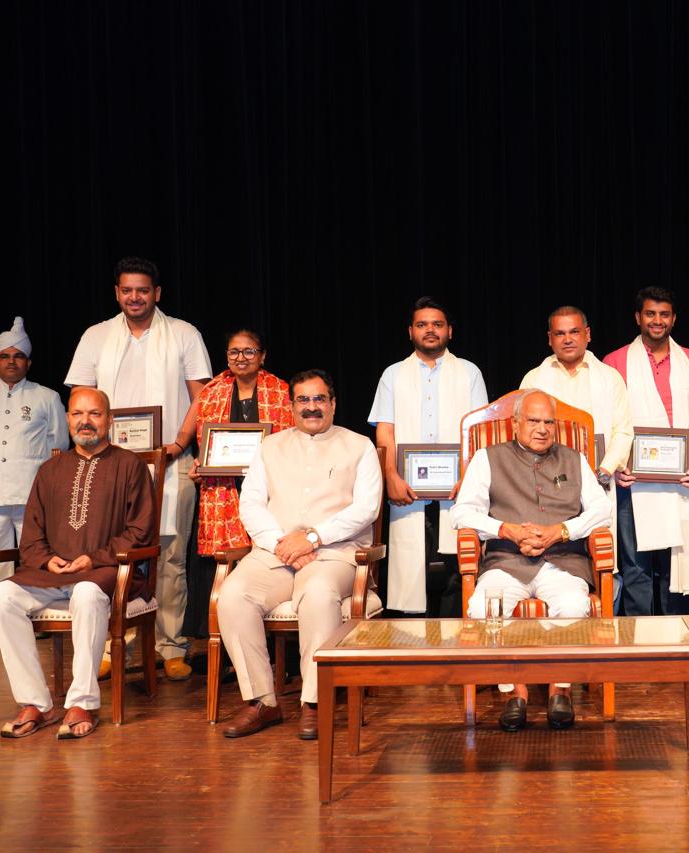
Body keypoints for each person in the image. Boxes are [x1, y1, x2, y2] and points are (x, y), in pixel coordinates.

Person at [65, 257, 212, 681]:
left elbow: (202, 399)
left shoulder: (183, 333)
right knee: (112, 554)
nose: (135, 297)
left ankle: (171, 646)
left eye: (143, 290)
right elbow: (81, 400)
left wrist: (179, 444)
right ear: (117, 293)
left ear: (156, 293)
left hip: (172, 460)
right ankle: (113, 645)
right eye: (127, 290)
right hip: (108, 464)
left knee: (169, 556)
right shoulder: (95, 336)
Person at [216, 369, 383, 740]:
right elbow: (251, 504)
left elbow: (366, 509)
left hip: (335, 553)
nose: (311, 407)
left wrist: (312, 538)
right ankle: (262, 702)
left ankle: (314, 702)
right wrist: (284, 543)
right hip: (276, 551)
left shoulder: (360, 447)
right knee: (233, 595)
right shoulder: (269, 447)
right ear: (291, 407)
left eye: (319, 399)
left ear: (333, 404)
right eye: (303, 400)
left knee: (318, 594)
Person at [0, 388, 157, 739]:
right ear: (67, 420)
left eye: (94, 414)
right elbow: (31, 534)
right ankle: (37, 703)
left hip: (105, 572)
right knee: (0, 597)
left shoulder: (130, 466)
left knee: (87, 594)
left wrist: (93, 558)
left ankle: (83, 703)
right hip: (51, 576)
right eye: (77, 414)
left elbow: (141, 530)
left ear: (110, 420)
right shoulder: (50, 470)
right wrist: (47, 561)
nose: (85, 421)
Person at [452, 390, 613, 731]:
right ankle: (515, 691)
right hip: (506, 562)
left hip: (562, 562)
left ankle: (560, 689)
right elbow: (462, 512)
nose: (542, 429)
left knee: (574, 605)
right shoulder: (487, 458)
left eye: (548, 422)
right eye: (533, 421)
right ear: (515, 424)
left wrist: (561, 531)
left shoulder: (573, 459)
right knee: (482, 608)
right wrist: (506, 530)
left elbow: (602, 510)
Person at [369, 297, 488, 616]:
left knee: (455, 570)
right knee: (412, 566)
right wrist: (391, 476)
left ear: (450, 330)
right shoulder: (393, 374)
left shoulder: (469, 372)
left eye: (437, 324)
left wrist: (470, 478)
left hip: (458, 488)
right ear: (411, 331)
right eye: (422, 324)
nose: (430, 330)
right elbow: (385, 432)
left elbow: (479, 432)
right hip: (407, 489)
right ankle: (411, 640)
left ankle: (455, 639)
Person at [182, 330, 295, 636]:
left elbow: (294, 441)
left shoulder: (281, 391)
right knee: (220, 565)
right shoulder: (212, 392)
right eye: (234, 352)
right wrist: (200, 464)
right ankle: (218, 639)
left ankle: (269, 639)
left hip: (270, 492)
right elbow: (197, 441)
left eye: (248, 351)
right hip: (223, 490)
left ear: (262, 356)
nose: (240, 358)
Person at [603, 287, 689, 616]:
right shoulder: (615, 362)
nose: (657, 321)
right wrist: (617, 464)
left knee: (675, 568)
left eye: (664, 314)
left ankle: (678, 635)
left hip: (681, 477)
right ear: (638, 317)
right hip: (633, 479)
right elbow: (608, 420)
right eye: (650, 314)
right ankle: (640, 638)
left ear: (674, 319)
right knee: (637, 567)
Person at [0, 317, 68, 581]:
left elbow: (59, 443)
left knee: (37, 558)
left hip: (32, 492)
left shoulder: (47, 397)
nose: (11, 361)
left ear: (28, 363)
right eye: (5, 356)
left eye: (18, 356)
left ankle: (36, 604)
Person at [521, 305, 632, 490]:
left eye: (574, 332)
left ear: (587, 334)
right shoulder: (533, 379)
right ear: (550, 338)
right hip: (543, 480)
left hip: (598, 480)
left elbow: (623, 431)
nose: (567, 339)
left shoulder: (610, 378)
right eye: (560, 333)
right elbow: (522, 431)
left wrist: (604, 472)